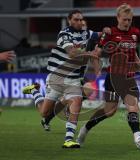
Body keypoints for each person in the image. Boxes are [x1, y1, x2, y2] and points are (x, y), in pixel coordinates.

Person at [76, 3, 140, 147]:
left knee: (133, 106)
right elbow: (97, 53)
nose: (127, 23)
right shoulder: (110, 33)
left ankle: (138, 136)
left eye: (129, 20)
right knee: (109, 111)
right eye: (124, 19)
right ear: (118, 18)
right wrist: (96, 65)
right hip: (113, 77)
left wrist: (139, 64)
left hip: (128, 77)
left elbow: (133, 51)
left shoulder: (135, 33)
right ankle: (85, 128)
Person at [22, 10, 103, 148]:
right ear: (69, 20)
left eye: (81, 20)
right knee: (44, 112)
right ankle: (34, 91)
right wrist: (91, 53)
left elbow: (102, 36)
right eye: (76, 20)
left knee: (77, 101)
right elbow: (72, 53)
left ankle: (69, 139)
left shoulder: (87, 35)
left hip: (74, 79)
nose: (80, 23)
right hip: (57, 77)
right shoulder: (64, 34)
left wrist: (107, 32)